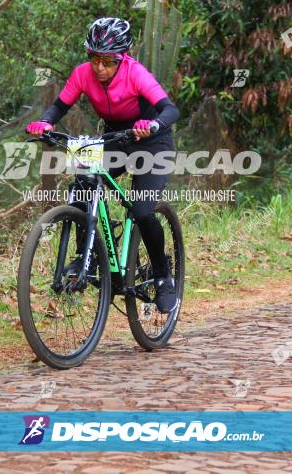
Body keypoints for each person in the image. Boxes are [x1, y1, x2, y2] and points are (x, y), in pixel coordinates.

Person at [26, 17, 180, 313]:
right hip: (115, 138)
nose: (99, 67)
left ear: (122, 58)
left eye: (108, 61)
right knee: (83, 183)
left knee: (143, 209)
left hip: (150, 140)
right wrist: (45, 123)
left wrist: (154, 125)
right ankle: (89, 256)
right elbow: (60, 106)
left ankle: (162, 276)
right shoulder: (83, 75)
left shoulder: (136, 74)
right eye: (94, 58)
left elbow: (170, 109)